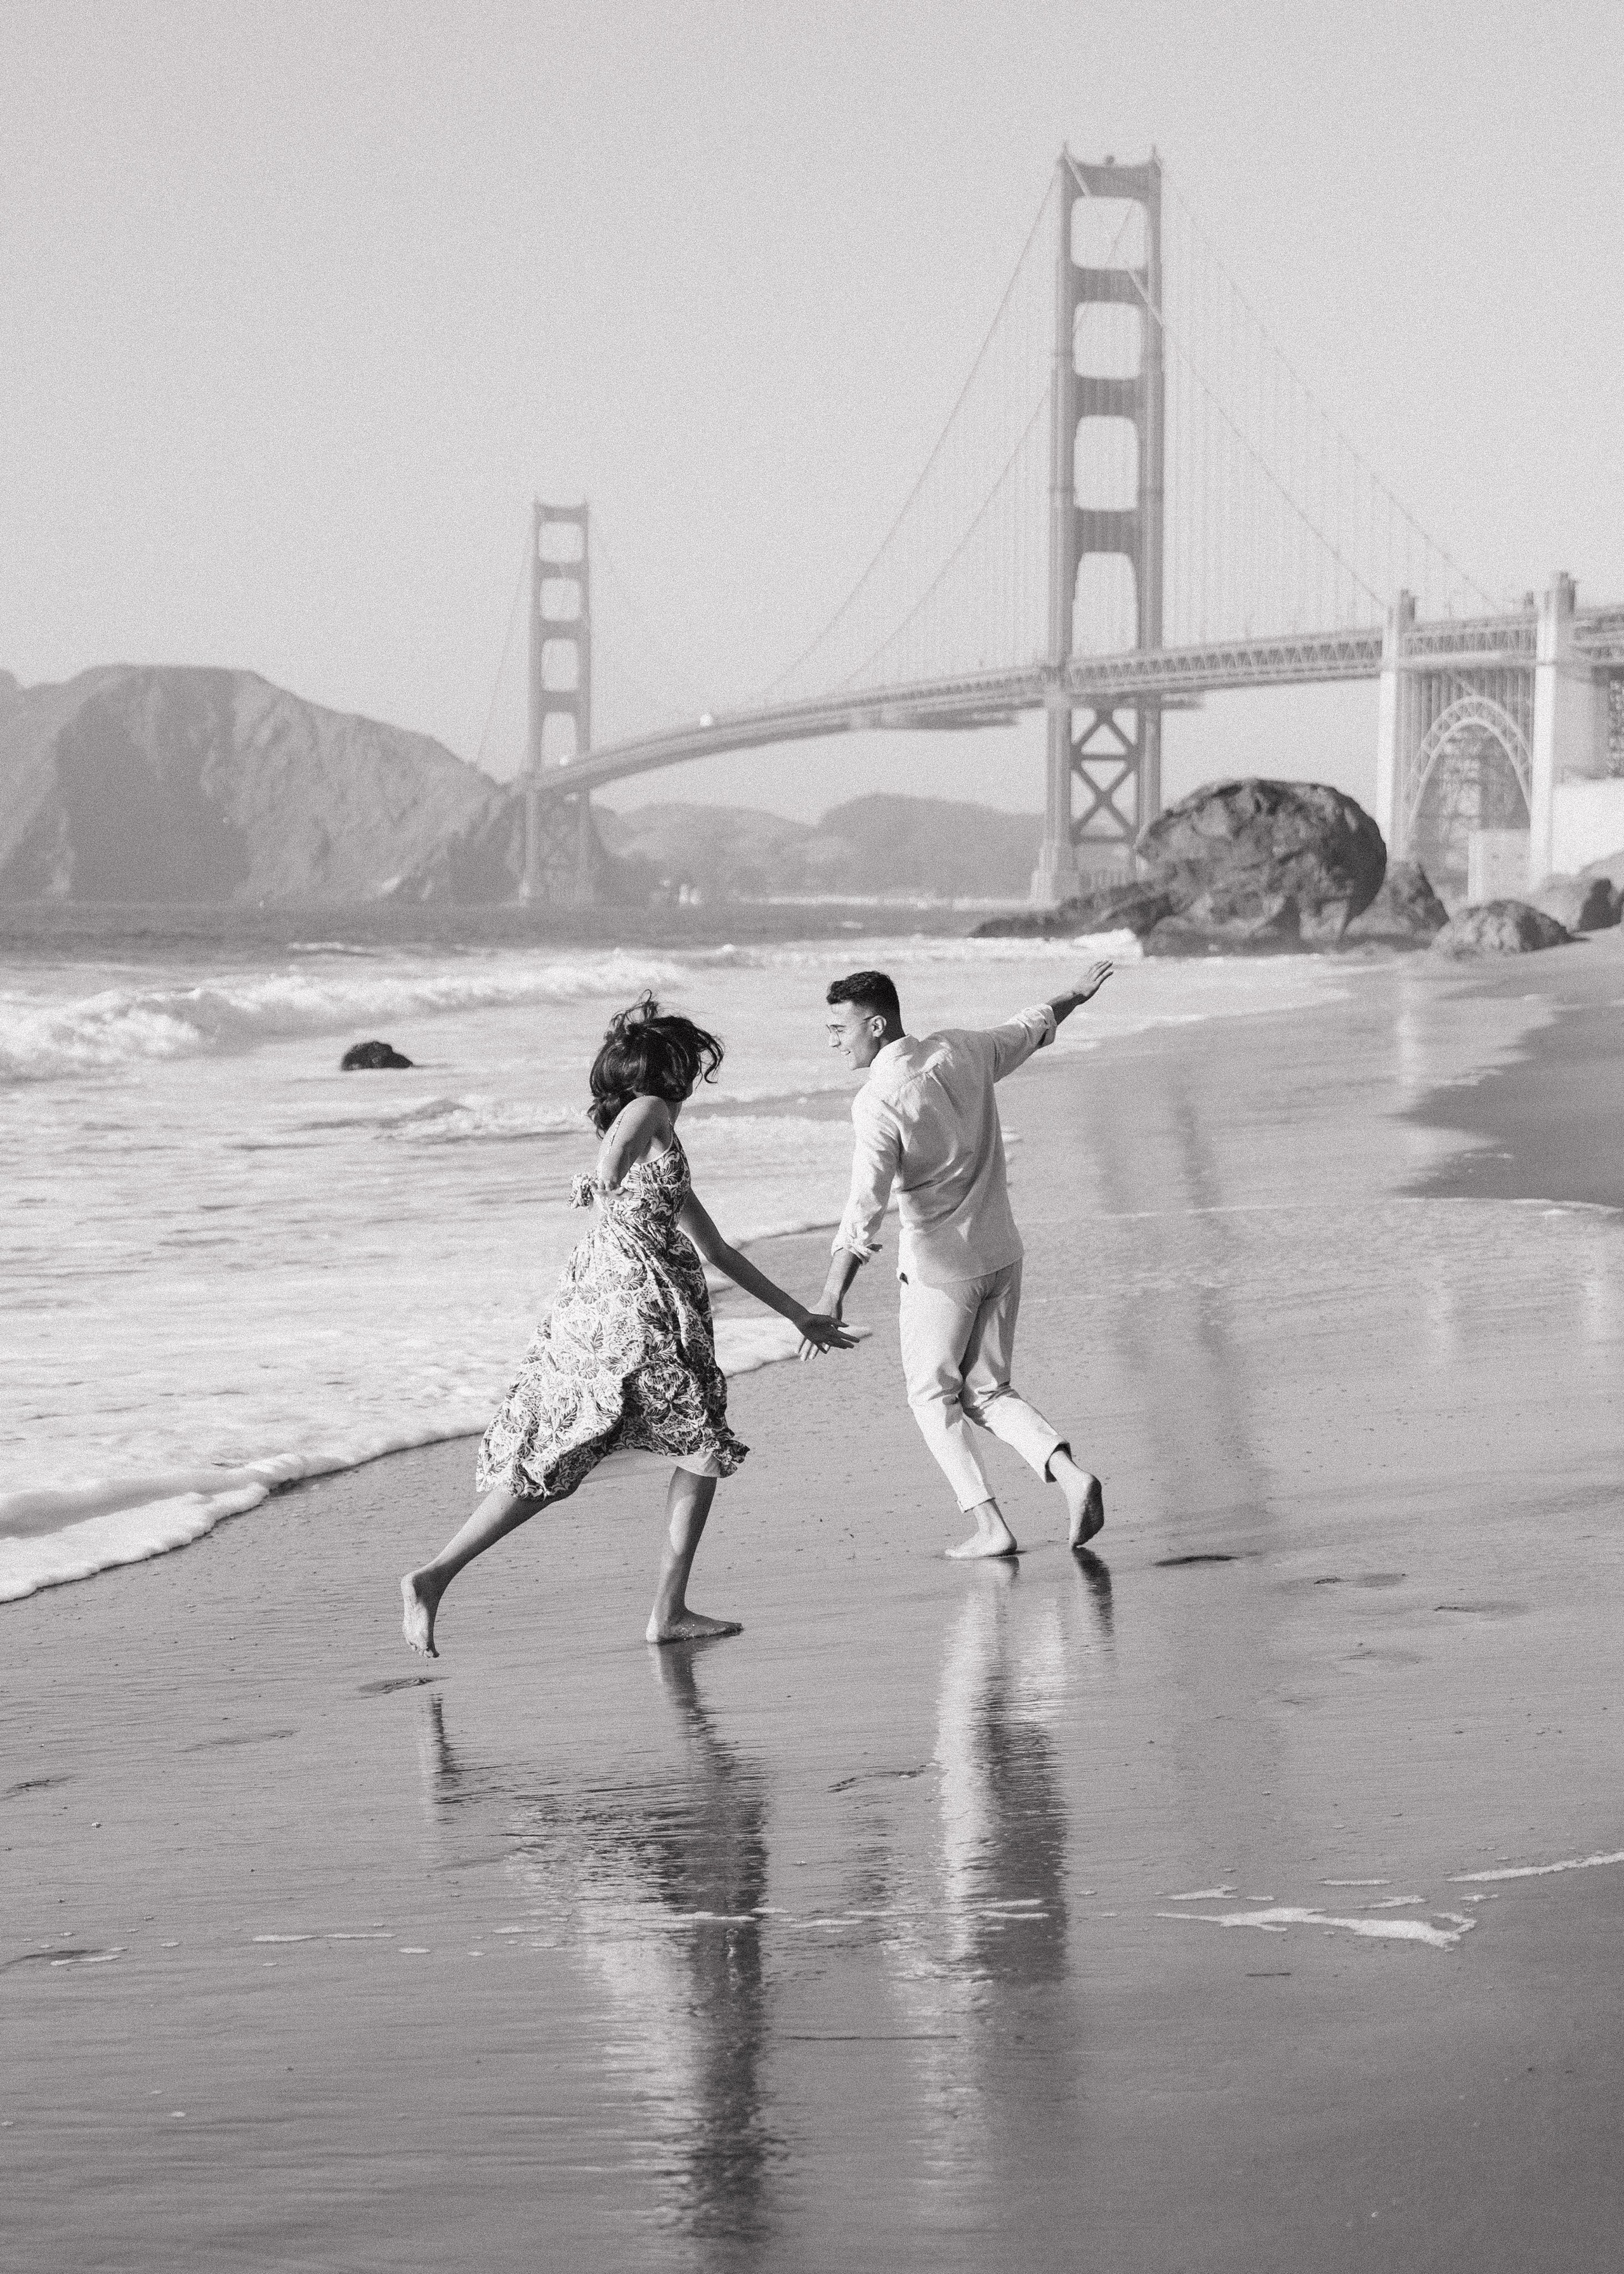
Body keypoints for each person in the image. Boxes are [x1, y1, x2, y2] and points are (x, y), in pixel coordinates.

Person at [402, 996, 852, 1655]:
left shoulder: (661, 1142)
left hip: (613, 1301)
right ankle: (666, 1610)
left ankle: (437, 1574)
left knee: (581, 1451)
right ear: (666, 1068)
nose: (696, 1072)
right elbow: (613, 1164)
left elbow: (718, 1250)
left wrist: (798, 1315)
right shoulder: (650, 1111)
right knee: (696, 1444)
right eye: (691, 1061)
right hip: (638, 1304)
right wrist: (605, 1174)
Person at [813, 964, 1113, 1560]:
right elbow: (1032, 1026)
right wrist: (1074, 993)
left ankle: (990, 1527)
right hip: (1002, 1252)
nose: (834, 1041)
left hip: (942, 1269)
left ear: (876, 1024)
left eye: (839, 1028)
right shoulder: (964, 1049)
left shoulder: (878, 1100)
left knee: (932, 1398)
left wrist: (831, 1294)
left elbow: (864, 1208)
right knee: (988, 1391)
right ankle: (1072, 1478)